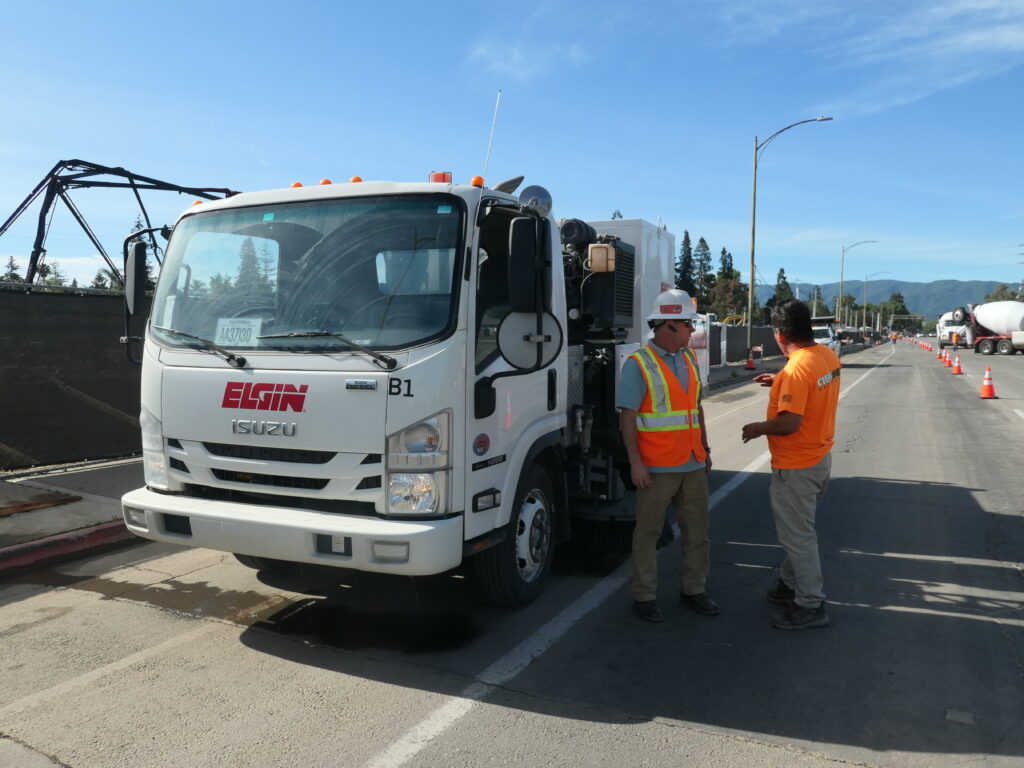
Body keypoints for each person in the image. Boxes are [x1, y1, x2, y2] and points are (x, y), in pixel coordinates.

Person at [618, 289, 717, 623]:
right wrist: (635, 463)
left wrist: (705, 449)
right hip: (656, 468)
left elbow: (696, 408)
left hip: (692, 463)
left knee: (698, 533)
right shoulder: (638, 365)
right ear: (669, 325)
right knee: (647, 534)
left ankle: (694, 590)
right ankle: (644, 596)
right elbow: (627, 418)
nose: (693, 330)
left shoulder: (689, 359)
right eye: (688, 324)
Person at [741, 298, 840, 630]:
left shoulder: (796, 371)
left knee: (798, 537)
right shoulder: (825, 356)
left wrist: (758, 429)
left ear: (779, 335)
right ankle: (788, 583)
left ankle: (811, 604)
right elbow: (808, 384)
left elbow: (789, 423)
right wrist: (780, 381)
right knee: (800, 531)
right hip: (819, 459)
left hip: (796, 467)